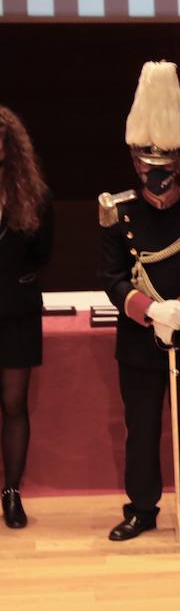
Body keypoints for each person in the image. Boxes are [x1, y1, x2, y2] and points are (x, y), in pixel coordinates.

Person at [98, 61, 180, 541]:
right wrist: (150, 310)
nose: (160, 179)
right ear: (137, 164)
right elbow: (111, 277)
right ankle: (142, 508)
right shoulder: (118, 211)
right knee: (142, 428)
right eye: (151, 170)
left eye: (167, 170)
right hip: (138, 338)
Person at [0, 105, 54, 529]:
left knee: (13, 403)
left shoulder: (32, 193)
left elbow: (42, 253)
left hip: (16, 311)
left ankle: (12, 493)